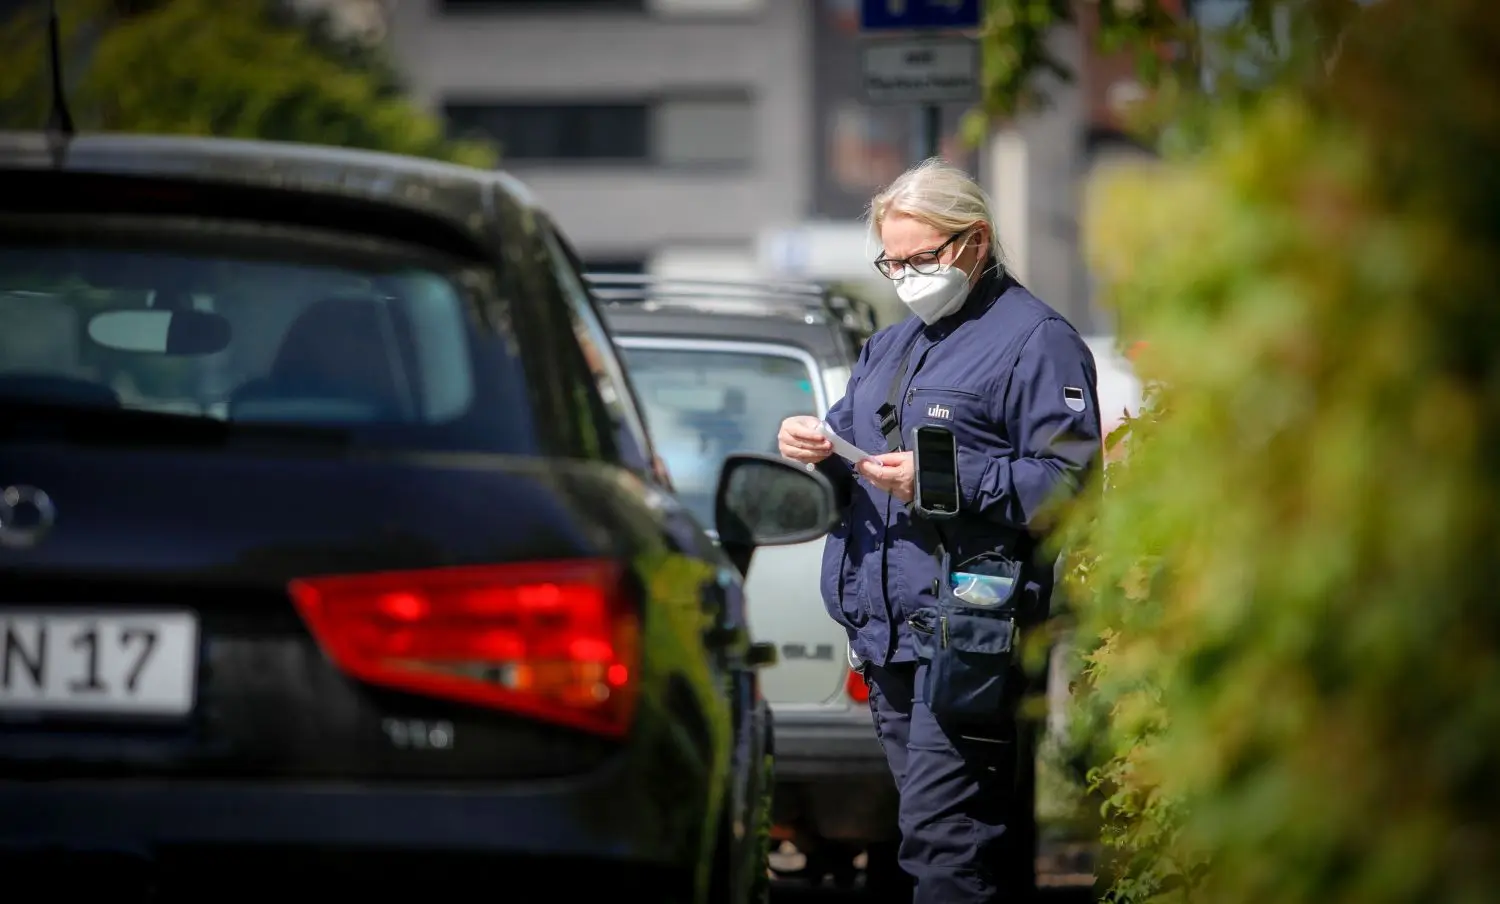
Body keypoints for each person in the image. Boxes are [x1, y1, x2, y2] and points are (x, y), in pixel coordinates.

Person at [777, 157, 1103, 902]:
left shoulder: (1036, 341)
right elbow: (851, 460)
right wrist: (814, 451)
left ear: (975, 242)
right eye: (890, 261)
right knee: (965, 841)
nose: (904, 275)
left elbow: (1069, 487)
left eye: (920, 258)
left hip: (970, 639)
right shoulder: (890, 347)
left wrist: (942, 485)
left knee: (944, 846)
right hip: (886, 635)